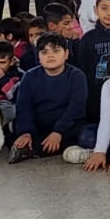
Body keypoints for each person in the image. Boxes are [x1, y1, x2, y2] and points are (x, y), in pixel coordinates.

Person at [7, 34, 87, 163]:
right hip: (40, 125)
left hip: (66, 126)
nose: (50, 56)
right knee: (16, 136)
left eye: (56, 51)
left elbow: (76, 108)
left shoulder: (76, 76)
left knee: (81, 136)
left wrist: (58, 132)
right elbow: (24, 107)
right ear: (38, 57)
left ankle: (33, 149)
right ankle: (30, 145)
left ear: (66, 54)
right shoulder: (30, 77)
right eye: (44, 52)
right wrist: (26, 132)